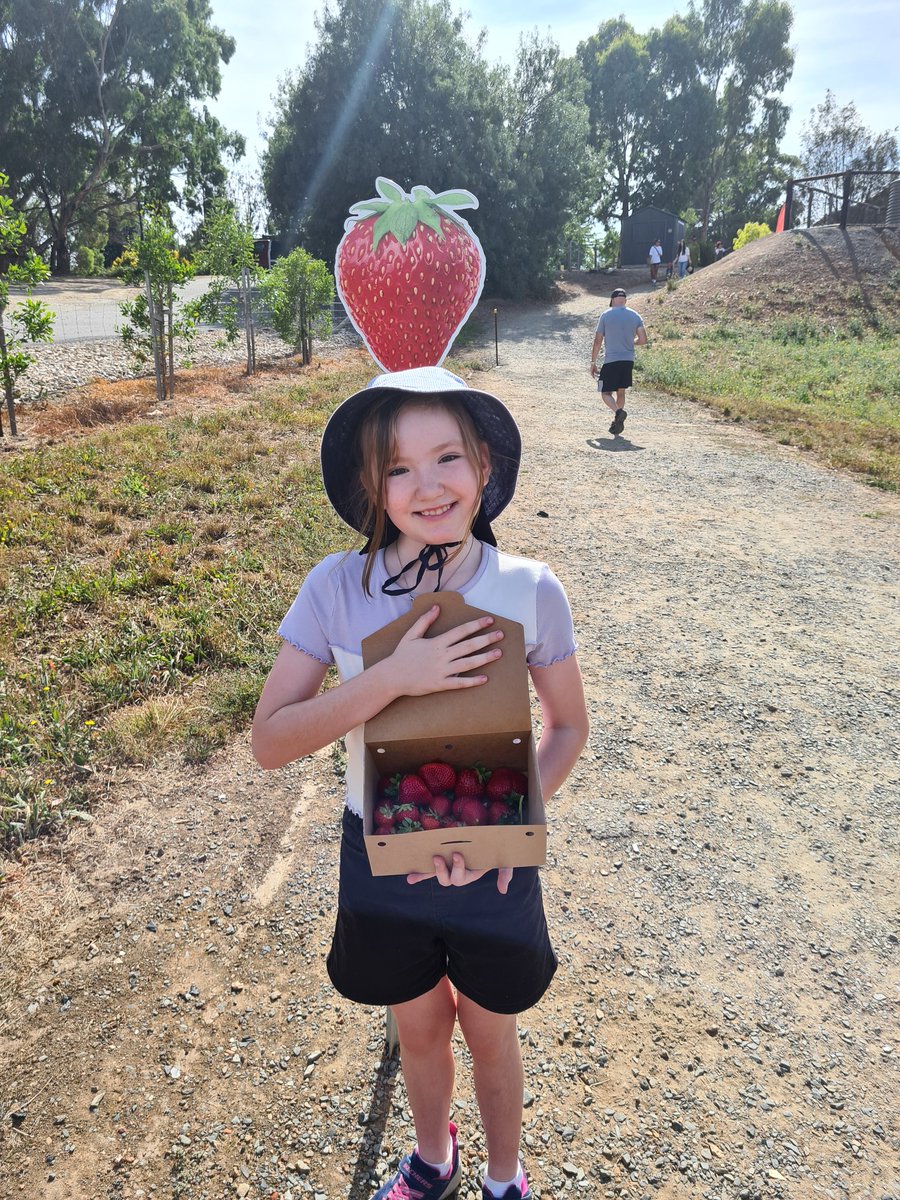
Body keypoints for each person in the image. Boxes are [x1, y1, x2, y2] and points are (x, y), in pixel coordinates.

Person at [252, 366, 589, 1200]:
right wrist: (393, 675)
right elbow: (270, 740)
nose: (427, 485)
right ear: (371, 484)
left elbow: (569, 727)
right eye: (399, 468)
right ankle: (433, 1162)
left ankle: (505, 1180)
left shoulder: (530, 589)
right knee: (420, 1027)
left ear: (485, 464)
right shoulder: (339, 586)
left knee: (490, 1031)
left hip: (495, 867)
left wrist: (507, 830)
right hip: (382, 862)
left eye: (447, 458)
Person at [589, 288, 648, 436]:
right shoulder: (635, 315)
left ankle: (618, 412)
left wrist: (593, 362)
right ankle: (617, 423)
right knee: (620, 391)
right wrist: (630, 342)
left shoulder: (606, 315)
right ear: (625, 300)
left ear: (613, 300)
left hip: (611, 361)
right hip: (628, 361)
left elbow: (597, 341)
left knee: (604, 391)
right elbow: (643, 340)